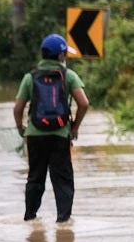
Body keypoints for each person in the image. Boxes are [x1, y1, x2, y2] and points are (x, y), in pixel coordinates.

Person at [12, 34, 90, 223]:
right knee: (62, 179)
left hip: (35, 136)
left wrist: (22, 129)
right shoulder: (68, 76)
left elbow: (18, 109)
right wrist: (74, 127)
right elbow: (84, 103)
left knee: (35, 178)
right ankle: (63, 221)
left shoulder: (29, 78)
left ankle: (30, 218)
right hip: (60, 134)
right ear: (61, 55)